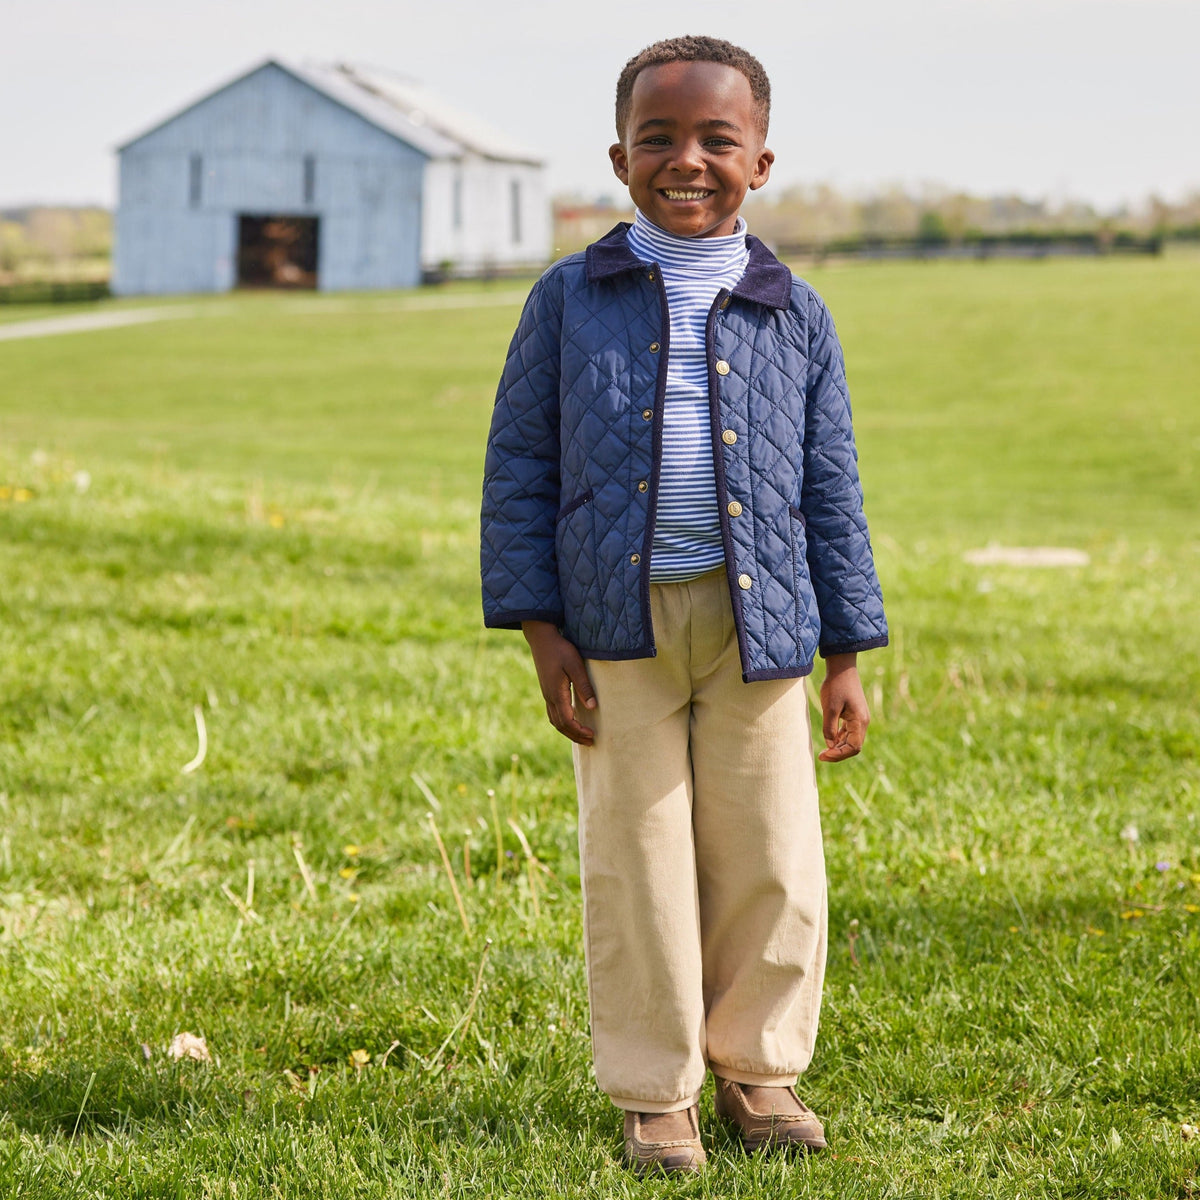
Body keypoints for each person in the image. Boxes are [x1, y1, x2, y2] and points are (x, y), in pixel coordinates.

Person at [480, 35, 887, 1176]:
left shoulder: (794, 312)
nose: (688, 160)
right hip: (619, 630)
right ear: (620, 157)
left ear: (761, 162)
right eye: (659, 138)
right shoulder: (570, 299)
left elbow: (831, 486)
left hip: (763, 632)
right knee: (637, 855)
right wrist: (541, 627)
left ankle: (761, 1070)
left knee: (771, 853)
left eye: (718, 139)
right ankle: (657, 1092)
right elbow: (518, 466)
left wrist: (848, 648)